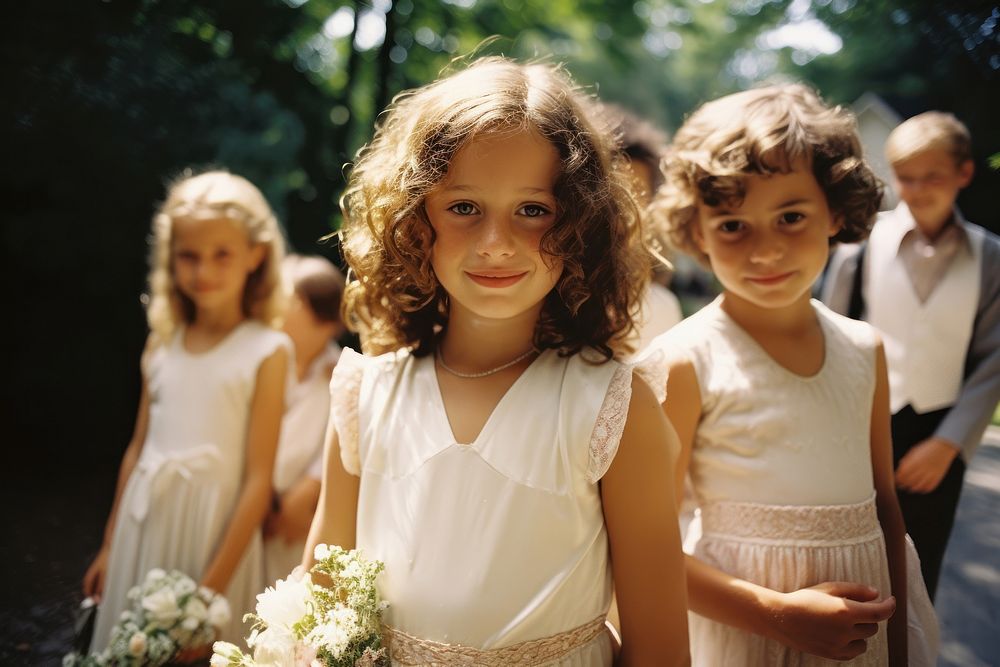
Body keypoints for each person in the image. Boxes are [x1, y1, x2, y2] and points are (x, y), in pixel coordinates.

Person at [303, 57, 690, 666]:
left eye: (533, 209)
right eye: (464, 208)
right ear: (414, 218)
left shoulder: (612, 406)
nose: (495, 243)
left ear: (581, 223)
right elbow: (319, 607)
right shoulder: (365, 396)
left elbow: (661, 649)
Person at [641, 83, 938, 665]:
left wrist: (899, 643)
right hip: (741, 637)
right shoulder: (683, 361)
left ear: (834, 211)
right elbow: (645, 549)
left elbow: (886, 509)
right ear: (697, 231)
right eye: (732, 225)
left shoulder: (864, 347)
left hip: (864, 635)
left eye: (791, 216)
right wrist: (775, 615)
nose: (766, 251)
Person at [83, 170, 291, 648]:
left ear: (255, 256)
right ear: (170, 260)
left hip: (215, 537)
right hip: (144, 525)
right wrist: (111, 546)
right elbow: (137, 448)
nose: (204, 270)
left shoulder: (266, 350)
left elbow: (259, 480)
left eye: (222, 255)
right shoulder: (162, 343)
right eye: (189, 256)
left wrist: (206, 595)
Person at [822, 111, 1000, 600]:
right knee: (850, 562)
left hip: (938, 433)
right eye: (906, 177)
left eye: (933, 177)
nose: (918, 189)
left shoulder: (990, 257)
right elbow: (828, 334)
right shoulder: (858, 246)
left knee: (919, 573)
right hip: (858, 424)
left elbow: (993, 358)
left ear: (964, 174)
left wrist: (949, 444)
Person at [262, 254, 345, 585]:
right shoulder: (266, 362)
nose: (278, 308)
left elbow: (340, 439)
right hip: (255, 499)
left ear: (323, 320)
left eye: (291, 300)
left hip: (302, 511)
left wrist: (305, 494)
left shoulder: (339, 371)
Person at [596, 102, 683, 354]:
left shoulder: (659, 306)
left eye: (638, 197)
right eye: (613, 195)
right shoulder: (539, 296)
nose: (625, 213)